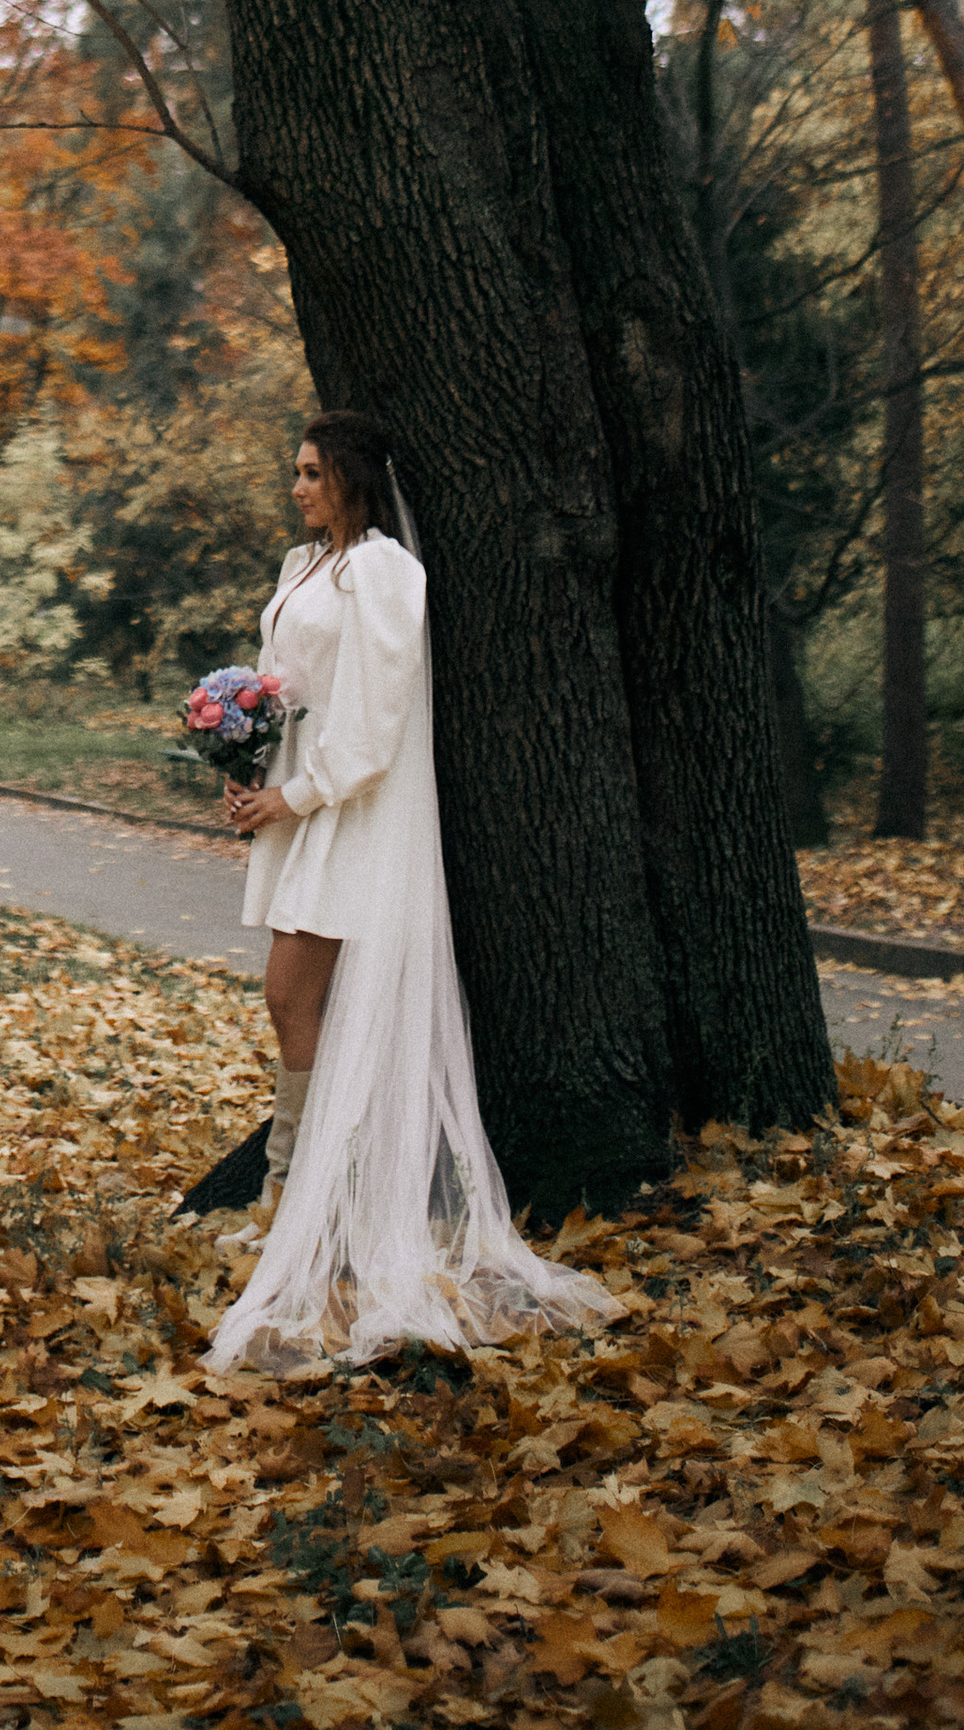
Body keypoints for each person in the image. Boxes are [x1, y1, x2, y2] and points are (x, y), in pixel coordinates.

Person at [207, 409, 620, 1374]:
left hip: (355, 808)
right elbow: (278, 687)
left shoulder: (385, 571)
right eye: (296, 471)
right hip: (299, 792)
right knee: (300, 1001)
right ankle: (292, 1199)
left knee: (292, 992)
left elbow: (380, 717)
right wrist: (242, 752)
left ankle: (310, 1201)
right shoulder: (301, 566)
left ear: (353, 477)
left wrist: (297, 795)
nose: (299, 487)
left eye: (312, 473)